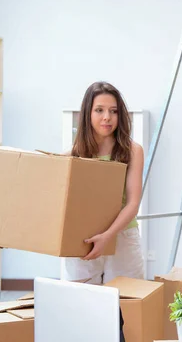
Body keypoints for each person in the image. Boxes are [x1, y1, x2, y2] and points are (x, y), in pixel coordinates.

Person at [61, 81, 145, 285]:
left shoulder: (133, 151)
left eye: (113, 111)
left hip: (122, 236)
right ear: (88, 113)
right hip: (82, 238)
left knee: (127, 306)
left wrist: (108, 236)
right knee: (83, 305)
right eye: (99, 110)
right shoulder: (72, 156)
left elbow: (133, 204)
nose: (107, 117)